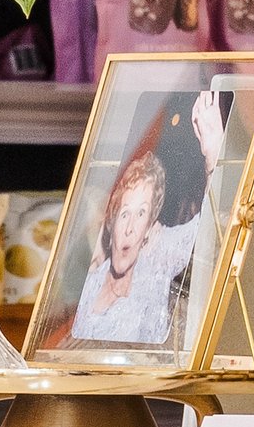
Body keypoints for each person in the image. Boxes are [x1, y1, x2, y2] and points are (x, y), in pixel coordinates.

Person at [60, 81, 227, 351]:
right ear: (112, 222)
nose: (129, 228)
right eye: (125, 213)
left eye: (141, 214)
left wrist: (213, 155)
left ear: (150, 227)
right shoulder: (92, 280)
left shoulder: (156, 263)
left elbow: (209, 225)